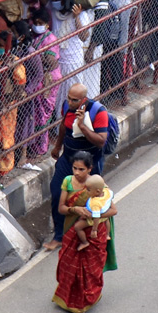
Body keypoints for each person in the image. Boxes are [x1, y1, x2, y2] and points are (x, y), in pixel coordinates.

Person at [52, 152, 118, 313]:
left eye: (81, 169)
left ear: (90, 169)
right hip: (72, 229)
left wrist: (93, 215)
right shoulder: (68, 182)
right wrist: (75, 209)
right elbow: (61, 208)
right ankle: (67, 299)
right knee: (69, 266)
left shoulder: (98, 186)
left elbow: (113, 210)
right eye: (74, 168)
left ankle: (82, 304)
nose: (76, 172)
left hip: (94, 234)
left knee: (88, 270)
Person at [45, 83, 108, 251]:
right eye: (69, 98)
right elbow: (63, 127)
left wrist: (82, 127)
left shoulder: (98, 111)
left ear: (83, 100)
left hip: (90, 162)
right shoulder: (67, 106)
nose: (70, 102)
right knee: (58, 192)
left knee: (90, 197)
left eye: (74, 100)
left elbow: (101, 141)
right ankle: (59, 235)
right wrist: (58, 147)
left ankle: (89, 231)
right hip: (68, 159)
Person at [68, 174, 112, 251]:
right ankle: (107, 234)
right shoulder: (107, 192)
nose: (86, 191)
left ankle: (84, 242)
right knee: (107, 220)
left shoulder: (95, 203)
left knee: (77, 226)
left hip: (94, 219)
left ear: (97, 191)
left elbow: (96, 217)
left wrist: (94, 229)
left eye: (88, 189)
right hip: (105, 215)